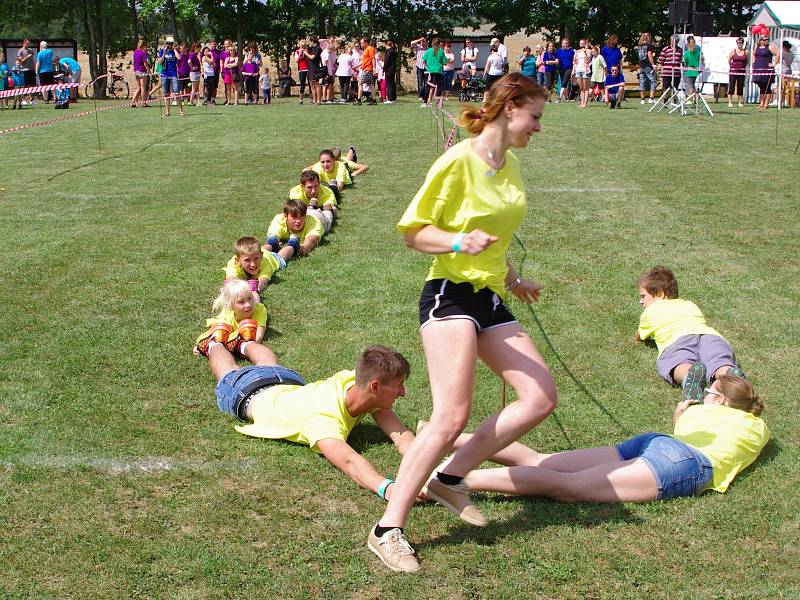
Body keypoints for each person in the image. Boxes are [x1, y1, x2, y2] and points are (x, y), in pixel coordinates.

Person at [367, 73, 556, 573]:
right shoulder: (457, 161)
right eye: (534, 116)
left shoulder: (509, 163)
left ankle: (451, 478)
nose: (538, 127)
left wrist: (513, 279)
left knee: (539, 397)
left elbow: (493, 233)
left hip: (490, 296)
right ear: (509, 108)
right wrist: (455, 243)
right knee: (450, 414)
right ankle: (388, 528)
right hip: (449, 294)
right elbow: (412, 233)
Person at [446, 375, 768, 503]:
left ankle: (442, 438)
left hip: (656, 444)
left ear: (722, 400)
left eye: (709, 391)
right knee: (566, 488)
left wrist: (681, 412)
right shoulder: (759, 429)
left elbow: (682, 426)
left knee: (542, 462)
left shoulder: (699, 413)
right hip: (684, 461)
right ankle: (450, 481)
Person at [212, 344, 420, 507]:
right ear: (375, 386)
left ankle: (242, 343)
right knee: (228, 370)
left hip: (287, 382)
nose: (403, 393)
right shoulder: (323, 420)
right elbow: (349, 462)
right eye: (399, 385)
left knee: (266, 362)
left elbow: (401, 436)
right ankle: (215, 344)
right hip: (246, 391)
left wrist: (428, 471)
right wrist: (388, 488)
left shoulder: (357, 384)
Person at [636, 266, 745, 401]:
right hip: (710, 336)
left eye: (643, 296)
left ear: (660, 295)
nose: (641, 301)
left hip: (677, 339)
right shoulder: (689, 304)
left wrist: (639, 335)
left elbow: (640, 335)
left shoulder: (650, 311)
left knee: (678, 360)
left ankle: (689, 375)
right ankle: (729, 372)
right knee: (717, 359)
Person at [193, 280, 270, 362]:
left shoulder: (259, 310)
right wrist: (203, 346)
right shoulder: (227, 316)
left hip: (257, 305)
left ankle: (254, 291)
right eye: (241, 302)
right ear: (231, 306)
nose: (248, 304)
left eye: (249, 298)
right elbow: (216, 333)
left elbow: (258, 337)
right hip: (229, 318)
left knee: (256, 300)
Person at [223, 236, 285, 303]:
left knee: (282, 256)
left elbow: (264, 280)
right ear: (238, 260)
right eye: (247, 260)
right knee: (258, 250)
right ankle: (273, 244)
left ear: (261, 256)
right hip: (259, 252)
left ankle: (293, 246)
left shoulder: (265, 262)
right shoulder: (233, 264)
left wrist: (255, 289)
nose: (253, 264)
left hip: (272, 258)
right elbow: (231, 280)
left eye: (256, 259)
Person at [289, 170, 337, 234]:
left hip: (328, 193)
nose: (313, 191)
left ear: (319, 183)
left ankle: (333, 184)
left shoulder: (327, 193)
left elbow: (330, 208)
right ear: (302, 187)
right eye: (309, 187)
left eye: (316, 186)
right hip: (317, 208)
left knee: (334, 193)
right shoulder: (295, 193)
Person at [753, 35, 777, 111]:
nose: (766, 41)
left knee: (767, 86)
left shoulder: (770, 47)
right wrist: (753, 61)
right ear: (760, 40)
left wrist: (774, 64)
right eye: (764, 39)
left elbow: (778, 54)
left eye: (767, 39)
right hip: (758, 69)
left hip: (767, 69)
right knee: (761, 86)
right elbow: (754, 54)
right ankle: (761, 103)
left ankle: (766, 104)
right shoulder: (756, 47)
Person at [422, 37, 446, 106]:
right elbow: (444, 62)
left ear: (432, 43)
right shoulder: (441, 51)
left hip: (430, 71)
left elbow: (424, 61)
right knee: (439, 86)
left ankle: (425, 102)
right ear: (439, 44)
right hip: (438, 71)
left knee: (428, 86)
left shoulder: (428, 51)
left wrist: (427, 67)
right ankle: (438, 102)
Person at [636, 33, 657, 104]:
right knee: (653, 81)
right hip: (648, 65)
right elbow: (649, 55)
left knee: (642, 82)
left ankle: (642, 99)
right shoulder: (649, 45)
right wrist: (653, 64)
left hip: (641, 65)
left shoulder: (639, 46)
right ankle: (651, 98)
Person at [681, 36, 704, 102]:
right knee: (693, 85)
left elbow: (685, 63)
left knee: (690, 85)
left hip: (689, 71)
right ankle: (695, 98)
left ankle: (690, 99)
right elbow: (702, 58)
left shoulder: (686, 53)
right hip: (696, 70)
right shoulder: (697, 52)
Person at [131, 40, 151, 108]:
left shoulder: (135, 52)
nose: (146, 48)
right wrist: (149, 72)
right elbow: (145, 64)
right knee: (143, 87)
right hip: (142, 71)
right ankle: (144, 103)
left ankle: (133, 102)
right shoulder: (142, 53)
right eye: (145, 46)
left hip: (136, 71)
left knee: (138, 87)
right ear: (143, 46)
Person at [357, 36, 377, 105]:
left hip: (367, 69)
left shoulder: (370, 49)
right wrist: (357, 66)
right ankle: (374, 101)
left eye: (362, 43)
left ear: (366, 42)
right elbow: (364, 60)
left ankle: (359, 100)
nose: (361, 44)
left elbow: (373, 59)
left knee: (360, 83)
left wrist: (374, 69)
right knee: (371, 85)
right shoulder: (365, 50)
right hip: (365, 69)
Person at [573, 39, 591, 107]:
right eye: (580, 43)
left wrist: (585, 53)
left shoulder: (588, 51)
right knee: (581, 88)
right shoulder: (577, 52)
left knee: (586, 87)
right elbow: (574, 61)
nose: (582, 44)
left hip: (585, 70)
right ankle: (582, 102)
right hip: (578, 70)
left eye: (583, 43)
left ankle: (585, 103)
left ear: (585, 44)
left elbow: (588, 61)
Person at [555, 37, 575, 102]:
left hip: (569, 68)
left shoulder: (571, 51)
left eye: (566, 43)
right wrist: (555, 61)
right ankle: (567, 98)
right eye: (564, 43)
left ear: (568, 44)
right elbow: (557, 59)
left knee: (564, 82)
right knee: (565, 84)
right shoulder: (558, 51)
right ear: (562, 44)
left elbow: (575, 60)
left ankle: (559, 98)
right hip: (561, 68)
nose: (565, 44)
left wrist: (574, 69)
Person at [305, 36, 322, 105]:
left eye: (310, 41)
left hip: (315, 68)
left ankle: (318, 100)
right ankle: (314, 100)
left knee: (316, 84)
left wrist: (306, 53)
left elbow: (312, 57)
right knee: (311, 84)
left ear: (312, 41)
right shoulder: (311, 48)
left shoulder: (318, 48)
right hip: (310, 68)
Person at [410, 36, 428, 104]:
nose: (423, 43)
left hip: (426, 67)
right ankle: (420, 96)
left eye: (424, 41)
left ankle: (425, 96)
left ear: (426, 42)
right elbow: (411, 43)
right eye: (422, 42)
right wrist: (420, 39)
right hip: (419, 67)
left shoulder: (428, 49)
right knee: (420, 82)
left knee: (426, 83)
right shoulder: (418, 48)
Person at [222, 42, 240, 106]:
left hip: (234, 74)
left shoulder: (236, 57)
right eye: (231, 50)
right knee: (228, 88)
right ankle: (228, 101)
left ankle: (236, 101)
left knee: (235, 88)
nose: (232, 52)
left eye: (233, 50)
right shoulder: (227, 58)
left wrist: (229, 65)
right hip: (227, 74)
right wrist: (231, 65)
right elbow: (225, 66)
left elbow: (236, 64)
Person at [779, 40, 794, 108]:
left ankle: (780, 102)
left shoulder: (783, 53)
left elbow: (779, 60)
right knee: (786, 88)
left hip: (783, 70)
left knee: (782, 87)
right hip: (789, 70)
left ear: (784, 46)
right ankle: (784, 101)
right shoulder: (792, 54)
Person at [295, 40, 309, 105]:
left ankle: (313, 99)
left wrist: (306, 53)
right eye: (302, 46)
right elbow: (297, 61)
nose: (303, 47)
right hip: (301, 70)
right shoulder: (297, 52)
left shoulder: (308, 51)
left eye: (304, 46)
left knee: (311, 84)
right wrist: (300, 54)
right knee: (302, 85)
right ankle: (301, 100)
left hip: (308, 69)